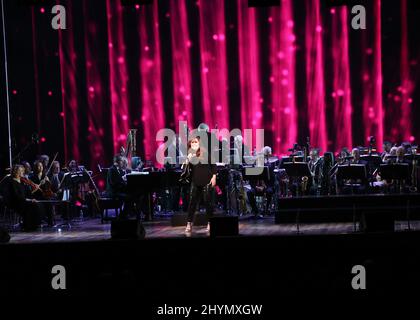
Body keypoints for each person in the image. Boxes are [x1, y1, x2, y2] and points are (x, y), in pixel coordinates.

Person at [184, 137, 217, 233]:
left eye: (196, 142)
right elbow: (187, 171)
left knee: (208, 203)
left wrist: (214, 177)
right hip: (195, 181)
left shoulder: (205, 153)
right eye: (192, 142)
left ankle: (210, 223)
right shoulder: (190, 155)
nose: (194, 144)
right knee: (192, 203)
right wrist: (187, 161)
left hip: (207, 180)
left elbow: (213, 165)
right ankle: (189, 223)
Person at [8, 165, 44, 231]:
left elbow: (28, 193)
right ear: (16, 172)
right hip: (17, 203)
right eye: (21, 171)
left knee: (37, 204)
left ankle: (34, 225)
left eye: (23, 171)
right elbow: (17, 196)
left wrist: (35, 189)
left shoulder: (22, 182)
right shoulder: (12, 182)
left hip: (25, 201)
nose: (23, 172)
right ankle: (27, 226)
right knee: (31, 206)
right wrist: (29, 200)